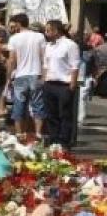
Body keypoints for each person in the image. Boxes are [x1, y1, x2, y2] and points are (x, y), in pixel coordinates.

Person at [6, 13, 46, 140]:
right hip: (36, 74)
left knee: (19, 104)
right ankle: (38, 133)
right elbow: (43, 56)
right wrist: (44, 75)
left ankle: (19, 134)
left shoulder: (14, 38)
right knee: (37, 104)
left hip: (20, 75)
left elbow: (12, 60)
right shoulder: (39, 36)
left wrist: (8, 77)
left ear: (18, 24)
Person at [42, 19, 80, 148]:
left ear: (56, 31)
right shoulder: (48, 46)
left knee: (64, 114)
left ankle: (64, 141)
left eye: (48, 30)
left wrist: (72, 85)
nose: (46, 33)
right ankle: (54, 139)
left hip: (64, 84)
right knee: (51, 114)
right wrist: (44, 81)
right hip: (49, 84)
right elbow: (46, 65)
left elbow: (75, 66)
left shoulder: (70, 45)